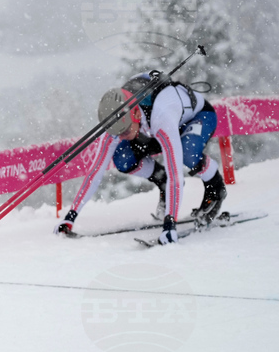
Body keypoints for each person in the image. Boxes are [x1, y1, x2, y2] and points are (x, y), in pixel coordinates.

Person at [55, 72, 227, 244]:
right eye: (117, 133)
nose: (120, 137)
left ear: (136, 114)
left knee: (187, 153)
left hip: (197, 118)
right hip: (148, 128)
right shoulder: (117, 117)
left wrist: (169, 225)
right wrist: (70, 217)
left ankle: (216, 188)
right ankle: (162, 181)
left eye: (124, 132)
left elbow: (175, 174)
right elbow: (95, 171)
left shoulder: (162, 116)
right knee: (123, 158)